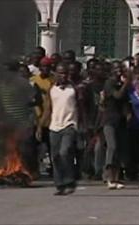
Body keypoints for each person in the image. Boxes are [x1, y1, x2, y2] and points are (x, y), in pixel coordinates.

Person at [37, 63, 81, 195]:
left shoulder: (73, 89)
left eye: (65, 73)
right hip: (54, 127)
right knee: (55, 156)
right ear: (55, 74)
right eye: (60, 73)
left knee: (64, 152)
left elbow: (81, 107)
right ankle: (60, 184)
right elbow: (48, 109)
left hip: (69, 125)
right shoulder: (52, 89)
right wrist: (40, 125)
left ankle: (69, 180)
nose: (63, 76)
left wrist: (82, 125)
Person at [102, 61, 130, 189]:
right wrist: (126, 83)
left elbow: (125, 101)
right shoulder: (109, 83)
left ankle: (116, 178)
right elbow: (118, 96)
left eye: (121, 68)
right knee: (112, 147)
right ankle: (107, 177)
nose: (119, 71)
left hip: (120, 120)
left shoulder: (121, 83)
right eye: (116, 68)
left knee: (119, 149)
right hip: (109, 120)